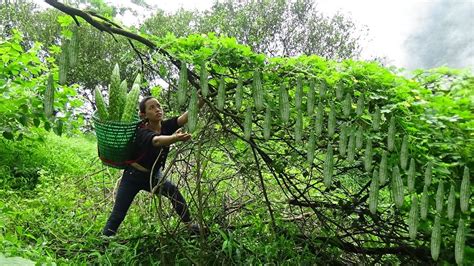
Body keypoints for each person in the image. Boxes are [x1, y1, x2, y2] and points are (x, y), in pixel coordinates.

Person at [102, 95, 204, 236]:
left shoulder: (165, 126)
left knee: (173, 192)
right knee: (118, 214)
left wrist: (199, 102)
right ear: (144, 115)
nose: (157, 109)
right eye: (152, 107)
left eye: (158, 106)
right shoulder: (141, 131)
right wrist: (174, 138)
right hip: (133, 176)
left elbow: (184, 118)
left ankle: (191, 227)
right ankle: (104, 242)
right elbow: (156, 141)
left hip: (153, 176)